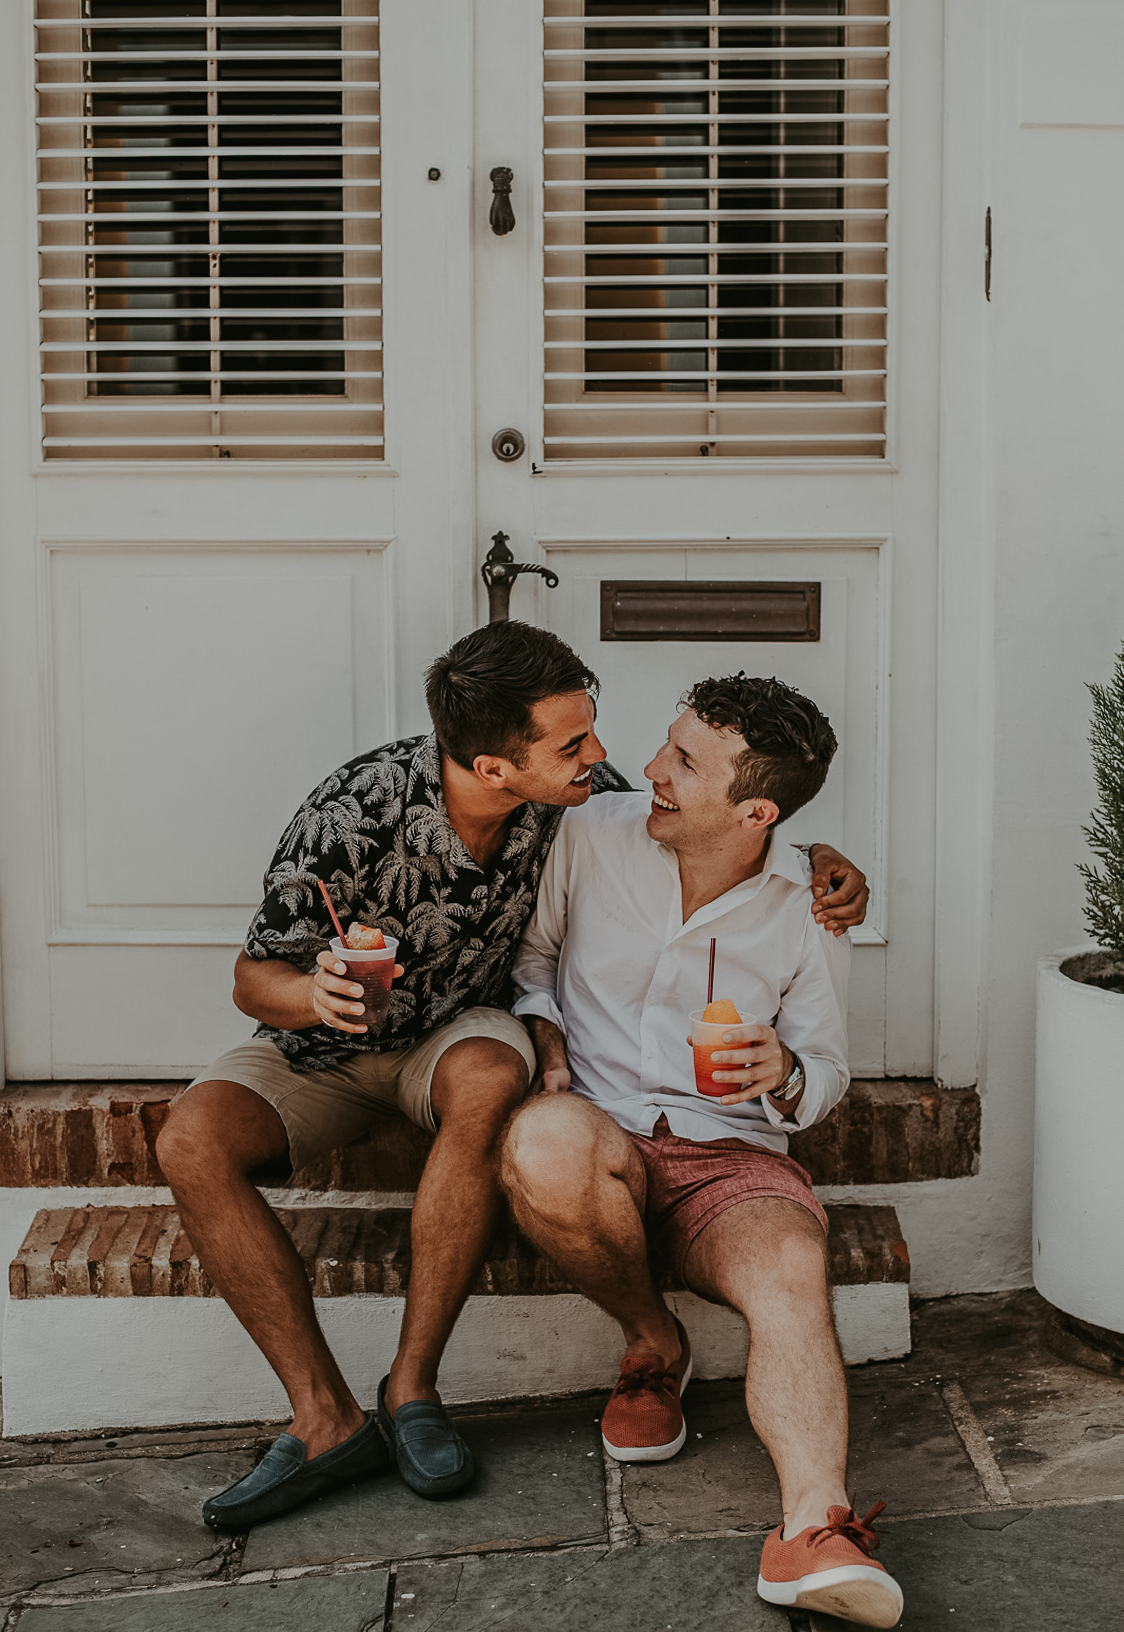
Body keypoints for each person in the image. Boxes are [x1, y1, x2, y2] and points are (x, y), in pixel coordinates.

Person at [155, 626, 870, 1531]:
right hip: (331, 1043)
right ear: (497, 767)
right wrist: (318, 993)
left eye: (597, 734)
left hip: (486, 1050)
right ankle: (327, 1419)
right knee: (189, 1138)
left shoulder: (585, 802)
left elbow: (737, 808)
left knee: (499, 1077)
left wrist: (826, 876)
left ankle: (415, 1390)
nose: (611, 759)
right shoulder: (380, 809)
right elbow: (253, 977)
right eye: (576, 745)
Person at [502, 673, 903, 1629]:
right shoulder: (592, 835)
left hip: (730, 1153)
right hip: (599, 1123)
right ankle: (653, 1344)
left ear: (755, 808)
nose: (649, 771)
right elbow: (534, 958)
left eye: (683, 761)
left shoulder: (809, 902)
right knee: (546, 1143)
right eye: (667, 746)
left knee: (793, 1265)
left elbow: (828, 1074)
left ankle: (815, 1530)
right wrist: (544, 1033)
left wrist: (784, 1069)